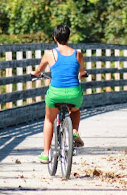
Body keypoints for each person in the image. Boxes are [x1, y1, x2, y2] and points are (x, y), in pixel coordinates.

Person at [31, 25, 88, 163]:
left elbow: (38, 71)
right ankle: (75, 131)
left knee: (49, 119)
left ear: (55, 38)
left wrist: (34, 74)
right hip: (74, 93)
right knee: (75, 110)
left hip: (56, 93)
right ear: (69, 38)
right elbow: (82, 72)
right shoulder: (78, 54)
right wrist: (83, 74)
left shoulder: (49, 54)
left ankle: (45, 154)